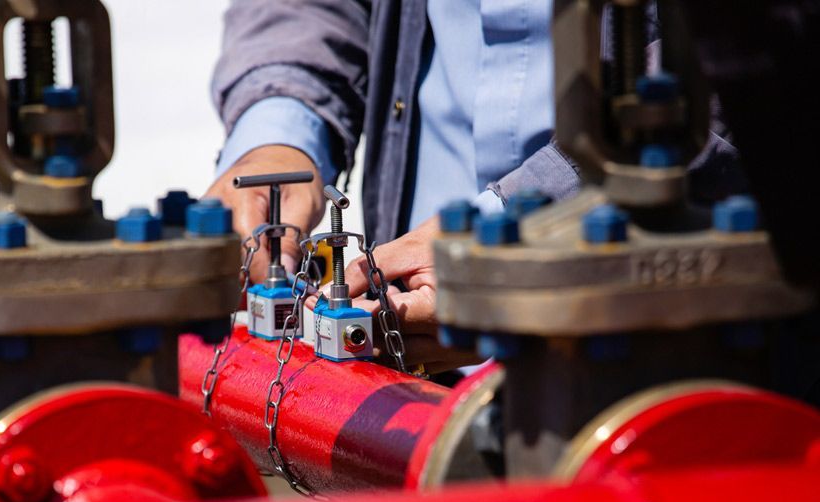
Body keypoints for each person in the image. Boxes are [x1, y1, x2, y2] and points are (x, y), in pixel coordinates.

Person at [204, 1, 741, 373]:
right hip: (409, 366)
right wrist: (279, 132)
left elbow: (750, 46)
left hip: (679, 349)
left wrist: (525, 222)